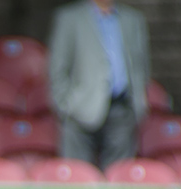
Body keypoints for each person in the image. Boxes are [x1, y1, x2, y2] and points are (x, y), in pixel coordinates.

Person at [48, 0, 150, 171]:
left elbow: (141, 65)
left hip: (121, 108)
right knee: (78, 177)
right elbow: (57, 68)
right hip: (79, 111)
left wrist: (138, 101)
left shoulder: (133, 19)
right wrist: (66, 105)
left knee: (120, 179)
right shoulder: (70, 18)